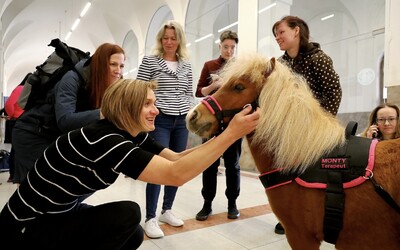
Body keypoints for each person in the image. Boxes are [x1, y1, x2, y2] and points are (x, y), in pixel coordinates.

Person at [0, 78, 260, 250]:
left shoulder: (130, 134)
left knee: (133, 233)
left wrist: (222, 134)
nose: (156, 110)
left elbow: (177, 158)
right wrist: (231, 135)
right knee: (128, 214)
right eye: (147, 104)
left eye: (154, 103)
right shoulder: (104, 140)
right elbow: (176, 175)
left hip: (59, 215)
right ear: (126, 107)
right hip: (25, 229)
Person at [11, 43, 125, 184]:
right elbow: (65, 121)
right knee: (46, 188)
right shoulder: (72, 78)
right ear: (100, 64)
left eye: (121, 66)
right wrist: (104, 113)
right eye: (113, 64)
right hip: (32, 134)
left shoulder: (105, 86)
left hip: (55, 137)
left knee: (67, 187)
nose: (118, 71)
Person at [272, 15, 342, 234]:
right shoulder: (281, 63)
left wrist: (322, 125)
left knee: (311, 174)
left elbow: (334, 92)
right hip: (288, 129)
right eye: (275, 34)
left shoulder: (318, 58)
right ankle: (286, 215)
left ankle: (314, 212)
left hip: (314, 130)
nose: (277, 37)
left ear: (296, 31)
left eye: (281, 32)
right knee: (285, 174)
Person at [136, 20, 194, 239]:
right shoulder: (150, 61)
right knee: (157, 167)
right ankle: (150, 217)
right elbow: (138, 90)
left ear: (179, 40)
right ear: (161, 40)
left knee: (178, 164)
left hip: (181, 121)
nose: (169, 42)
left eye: (173, 38)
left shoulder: (186, 64)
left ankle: (166, 210)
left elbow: (189, 91)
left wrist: (189, 110)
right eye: (165, 38)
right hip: (159, 120)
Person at [195, 30, 242, 221]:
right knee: (209, 164)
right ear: (219, 46)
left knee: (233, 166)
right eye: (225, 47)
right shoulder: (210, 66)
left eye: (232, 47)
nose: (229, 51)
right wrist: (214, 86)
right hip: (212, 123)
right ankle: (207, 204)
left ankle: (232, 203)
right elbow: (199, 92)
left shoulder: (240, 68)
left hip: (233, 123)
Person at [4, 74, 28, 183]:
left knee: (17, 148)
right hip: (17, 120)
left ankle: (14, 175)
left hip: (18, 120)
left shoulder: (21, 89)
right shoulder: (21, 89)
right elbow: (8, 104)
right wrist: (13, 115)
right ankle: (13, 175)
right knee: (16, 149)